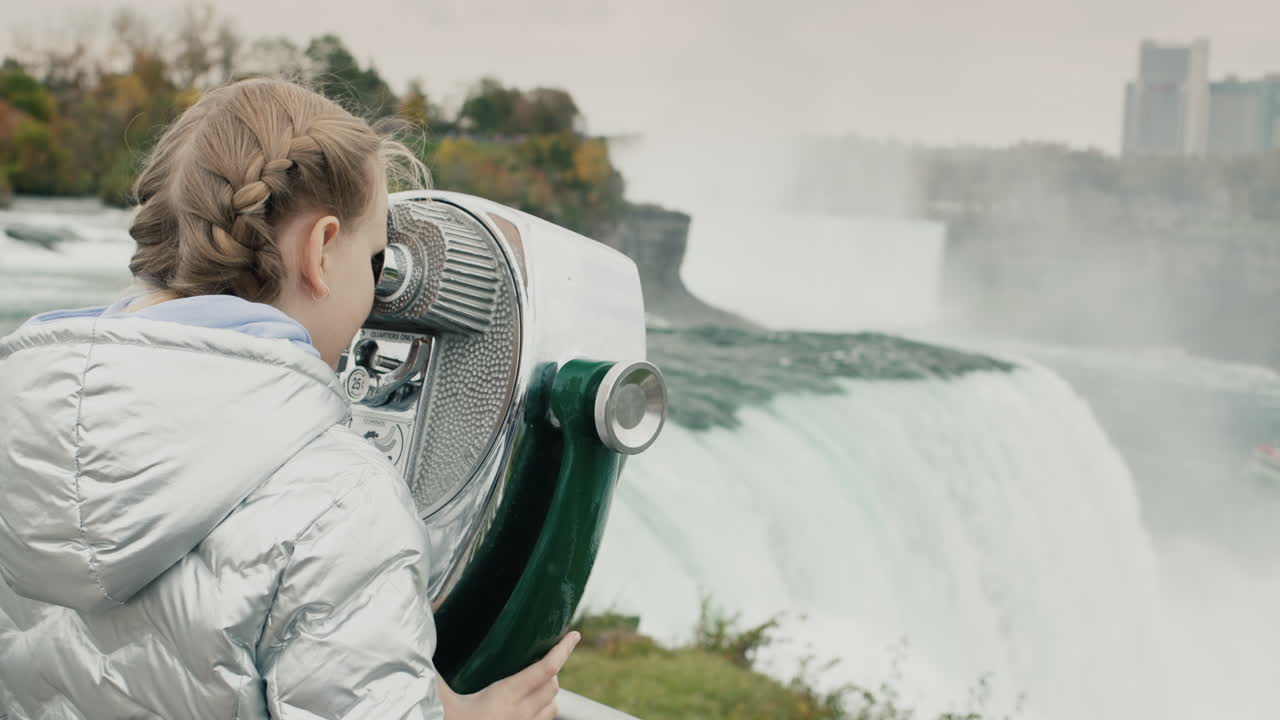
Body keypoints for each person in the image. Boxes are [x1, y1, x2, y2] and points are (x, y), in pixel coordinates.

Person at [0, 77, 578, 720]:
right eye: (377, 263)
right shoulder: (340, 500)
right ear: (321, 250)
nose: (374, 299)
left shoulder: (23, 432)